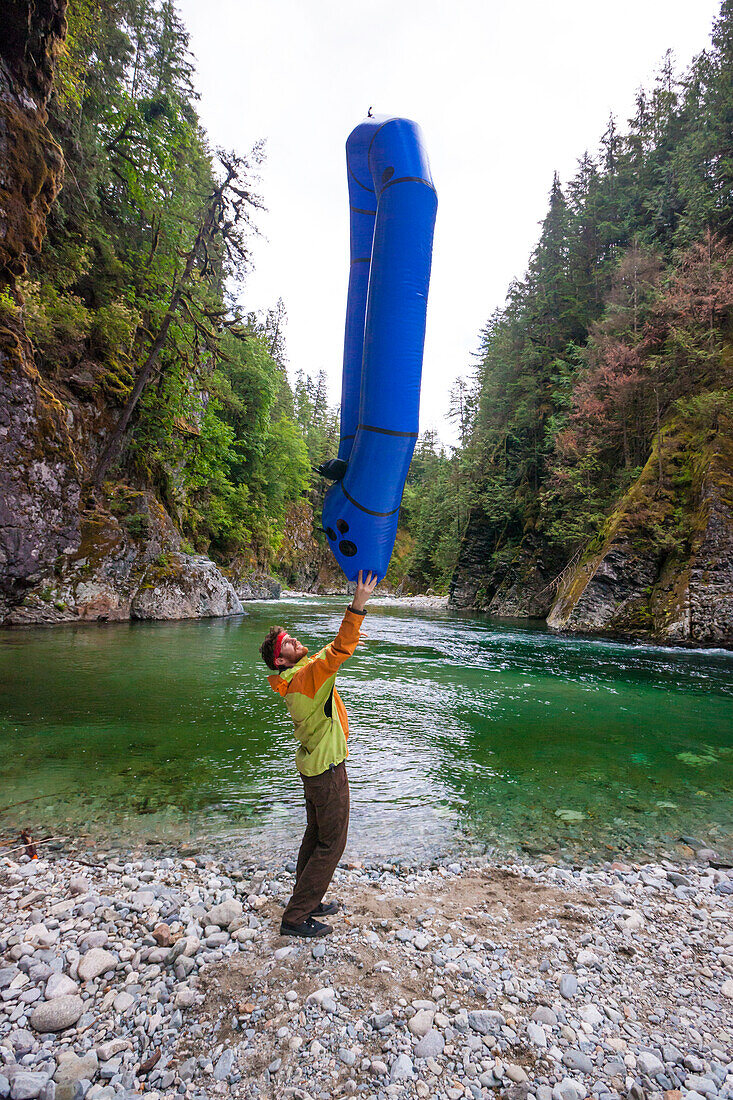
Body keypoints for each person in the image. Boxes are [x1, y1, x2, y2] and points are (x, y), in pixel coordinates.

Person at [260, 570, 378, 938]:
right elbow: (340, 649)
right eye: (287, 644)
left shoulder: (293, 679)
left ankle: (307, 901)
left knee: (315, 835)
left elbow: (330, 656)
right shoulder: (307, 676)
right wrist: (358, 604)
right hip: (327, 771)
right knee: (333, 842)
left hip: (313, 769)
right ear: (281, 660)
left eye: (289, 638)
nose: (294, 641)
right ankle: (295, 918)